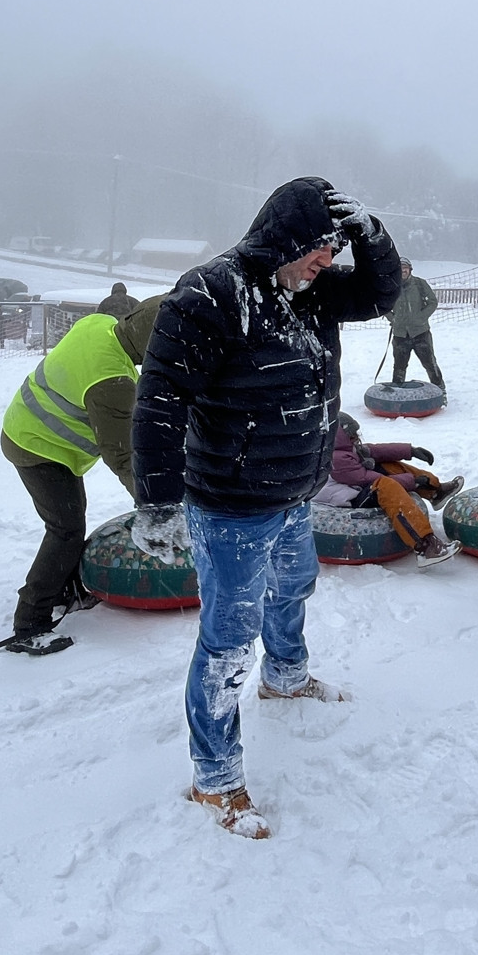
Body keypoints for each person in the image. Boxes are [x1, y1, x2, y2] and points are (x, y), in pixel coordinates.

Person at [132, 178, 401, 840]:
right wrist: (158, 502)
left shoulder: (312, 292)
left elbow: (379, 294)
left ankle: (285, 677)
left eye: (335, 250)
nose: (326, 262)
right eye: (319, 249)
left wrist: (371, 235)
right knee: (228, 641)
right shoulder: (209, 295)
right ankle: (215, 779)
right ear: (285, 239)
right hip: (231, 506)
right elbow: (160, 402)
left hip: (293, 493)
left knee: (293, 588)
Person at [3, 296, 165, 646]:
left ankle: (64, 590)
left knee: (70, 521)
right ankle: (30, 623)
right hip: (37, 447)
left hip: (31, 432)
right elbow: (122, 455)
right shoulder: (111, 381)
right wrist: (155, 505)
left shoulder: (100, 325)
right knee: (65, 530)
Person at [315, 412, 462, 564]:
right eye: (351, 435)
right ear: (339, 438)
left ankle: (435, 492)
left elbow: (376, 451)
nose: (356, 437)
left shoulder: (345, 449)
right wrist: (413, 481)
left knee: (387, 464)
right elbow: (366, 479)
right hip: (348, 498)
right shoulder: (335, 459)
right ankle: (425, 546)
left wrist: (411, 451)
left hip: (354, 487)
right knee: (386, 486)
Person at [387, 260, 445, 392]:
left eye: (406, 268)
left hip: (420, 332)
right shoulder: (391, 286)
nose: (403, 270)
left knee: (430, 364)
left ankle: (440, 391)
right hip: (400, 334)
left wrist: (421, 317)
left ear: (410, 269)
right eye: (400, 268)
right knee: (399, 367)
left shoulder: (419, 284)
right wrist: (393, 318)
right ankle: (397, 394)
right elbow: (383, 305)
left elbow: (432, 302)